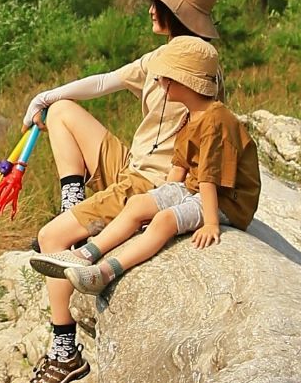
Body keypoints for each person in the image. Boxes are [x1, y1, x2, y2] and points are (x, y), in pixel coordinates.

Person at [13, 0, 221, 383]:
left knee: (51, 238)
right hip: (133, 165)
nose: (148, 10)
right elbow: (108, 80)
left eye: (155, 3)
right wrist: (48, 96)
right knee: (64, 110)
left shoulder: (183, 62)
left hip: (148, 184)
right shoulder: (175, 54)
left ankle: (65, 352)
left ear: (173, 10)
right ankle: (76, 202)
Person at [29, 51, 260, 299]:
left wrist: (212, 223)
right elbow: (179, 168)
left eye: (162, 78)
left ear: (182, 82)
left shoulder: (215, 121)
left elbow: (208, 178)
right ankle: (84, 254)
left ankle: (105, 272)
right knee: (138, 204)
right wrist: (158, 200)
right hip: (195, 187)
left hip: (227, 200)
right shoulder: (190, 115)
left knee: (165, 221)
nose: (157, 82)